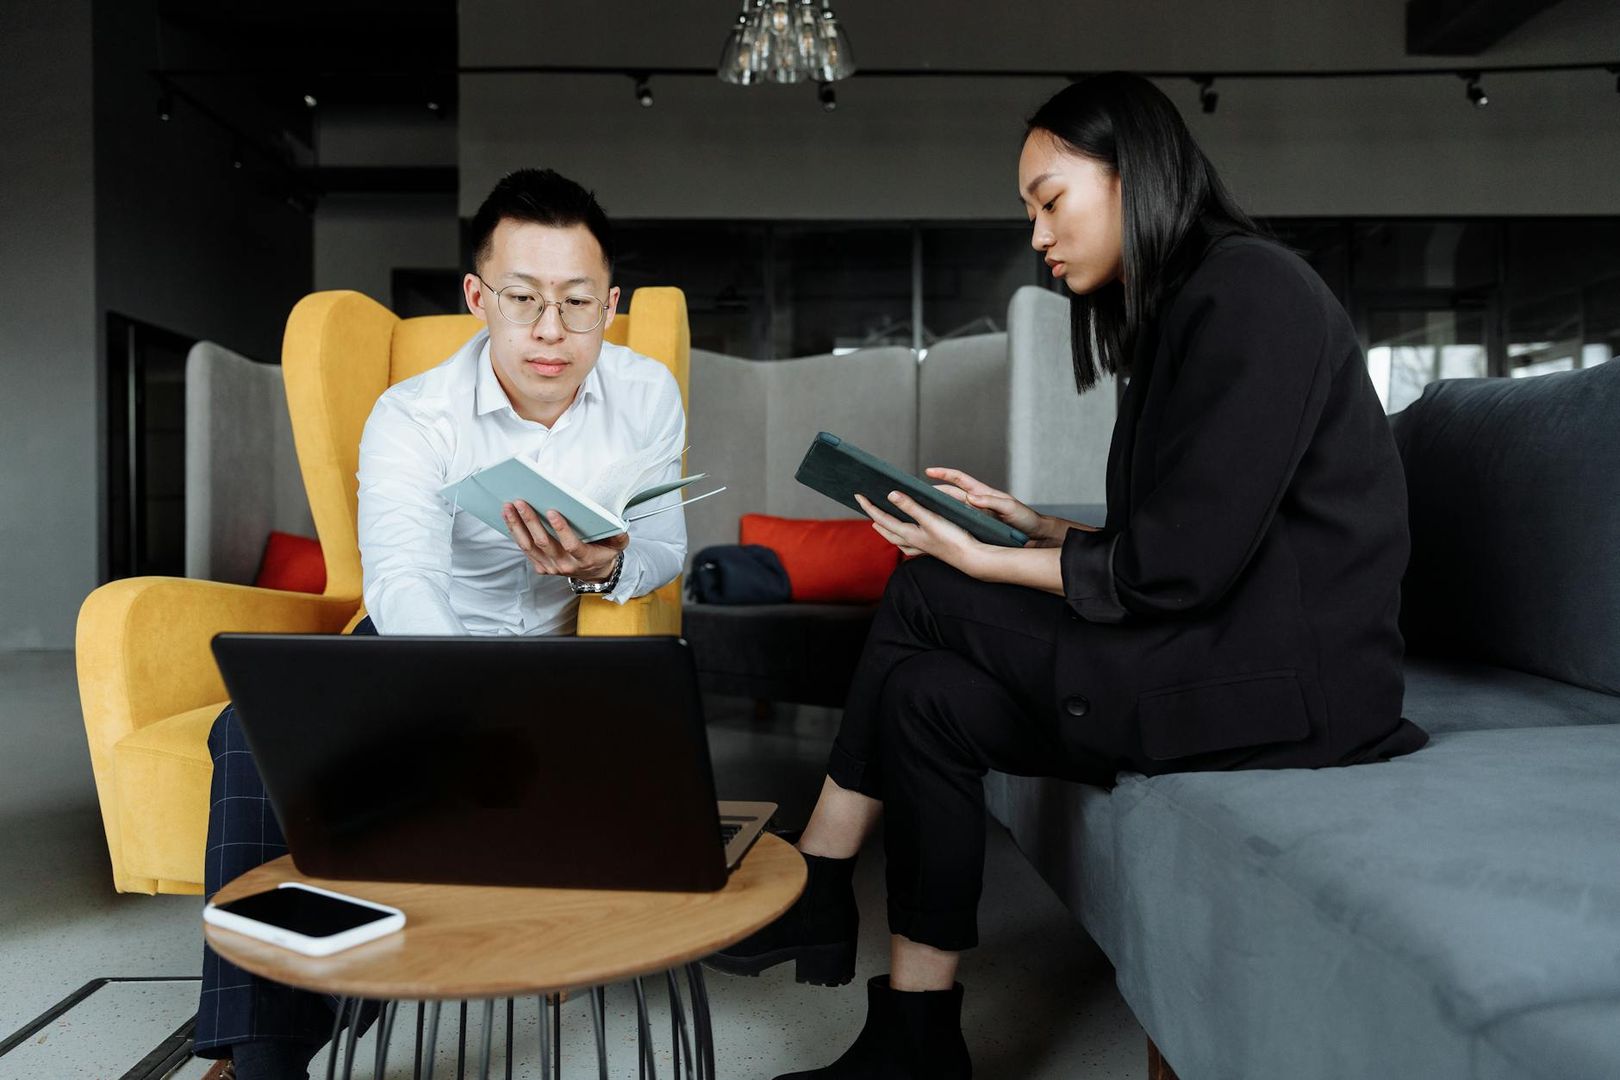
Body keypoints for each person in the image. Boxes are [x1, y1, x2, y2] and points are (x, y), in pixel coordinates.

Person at [707, 73, 1429, 1080]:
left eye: (1053, 199)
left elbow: (1180, 566)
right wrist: (1033, 523)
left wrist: (986, 558)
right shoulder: (1187, 307)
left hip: (1288, 686)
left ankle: (818, 874)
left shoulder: (1250, 289)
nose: (1039, 233)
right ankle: (917, 1039)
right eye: (1031, 211)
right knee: (922, 695)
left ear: (1135, 175)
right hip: (1223, 653)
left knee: (923, 588)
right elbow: (1187, 532)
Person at [194, 168, 688, 1080]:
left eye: (578, 303)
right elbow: (403, 577)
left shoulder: (645, 392)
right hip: (420, 640)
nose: (551, 331)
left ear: (610, 305)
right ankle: (263, 1056)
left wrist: (607, 564)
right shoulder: (413, 414)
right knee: (246, 731)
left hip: (565, 652)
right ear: (476, 297)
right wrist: (457, 704)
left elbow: (666, 541)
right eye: (524, 298)